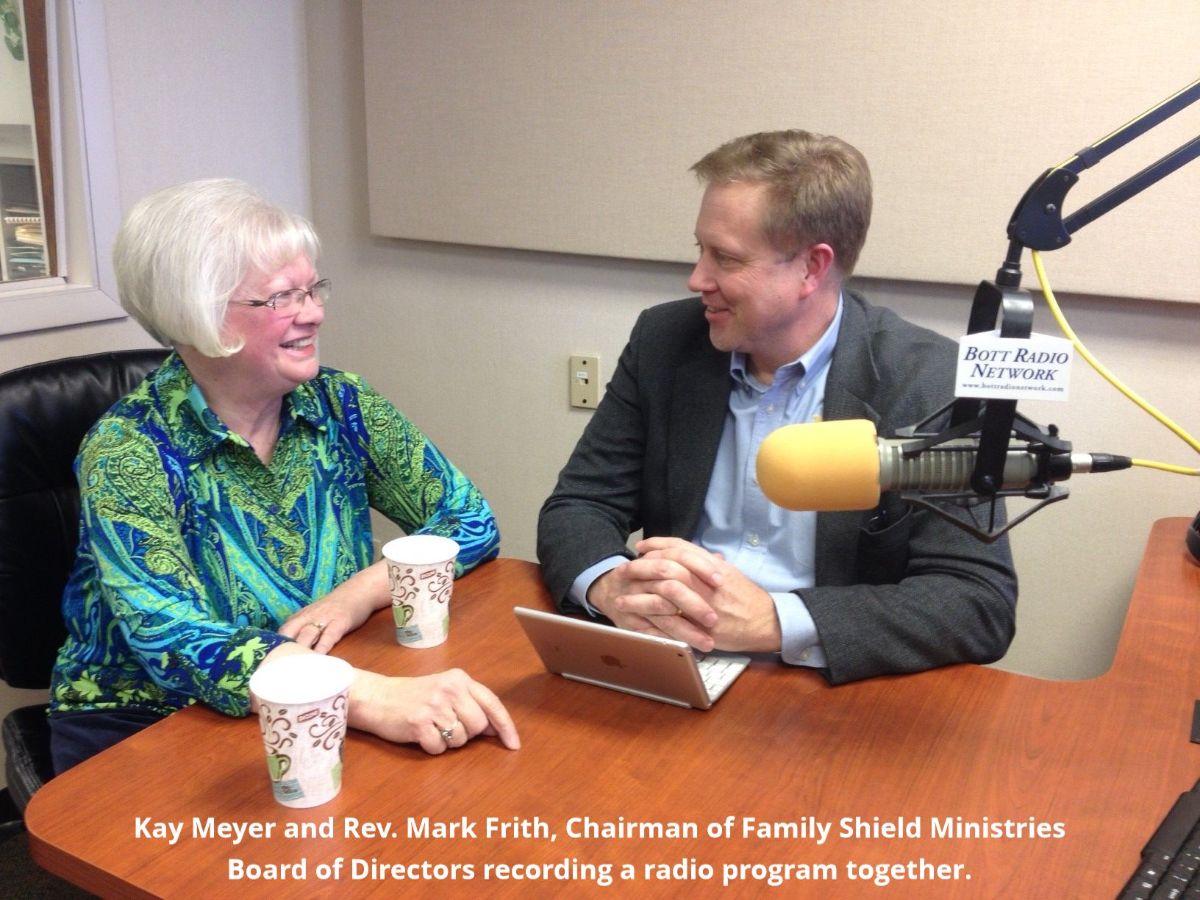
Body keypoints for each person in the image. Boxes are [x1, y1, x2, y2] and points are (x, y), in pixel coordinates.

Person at [49, 178, 519, 772]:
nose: (314, 313)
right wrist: (369, 695)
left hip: (326, 679)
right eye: (281, 299)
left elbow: (470, 519)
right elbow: (177, 640)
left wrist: (357, 596)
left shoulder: (338, 402)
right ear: (199, 314)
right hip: (153, 718)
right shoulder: (128, 451)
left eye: (313, 289)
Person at [537, 130, 1017, 685]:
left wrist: (776, 621)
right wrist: (609, 585)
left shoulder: (926, 379)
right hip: (672, 667)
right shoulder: (665, 341)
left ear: (811, 269)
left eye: (726, 258)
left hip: (820, 688)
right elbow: (579, 504)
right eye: (700, 249)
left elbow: (977, 601)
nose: (698, 279)